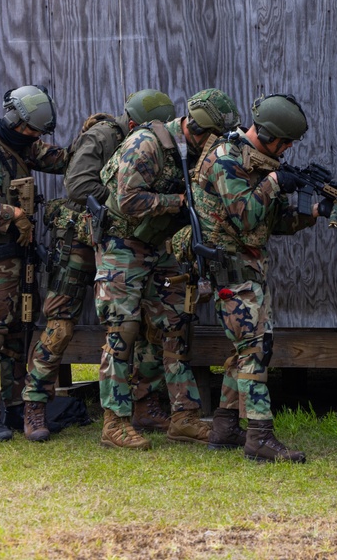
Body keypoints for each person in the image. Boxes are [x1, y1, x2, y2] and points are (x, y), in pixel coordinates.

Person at [21, 90, 177, 441]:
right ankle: (34, 403)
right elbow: (78, 186)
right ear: (134, 123)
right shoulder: (104, 135)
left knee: (143, 324)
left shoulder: (152, 144)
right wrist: (123, 200)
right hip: (79, 238)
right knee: (60, 324)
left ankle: (143, 404)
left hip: (121, 242)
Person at [190, 94, 335, 462]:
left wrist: (315, 212)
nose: (286, 150)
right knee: (255, 350)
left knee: (245, 351)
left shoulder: (248, 159)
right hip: (230, 271)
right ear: (267, 134)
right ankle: (259, 437)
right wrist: (273, 180)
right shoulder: (226, 159)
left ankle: (224, 427)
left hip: (248, 271)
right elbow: (246, 217)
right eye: (283, 143)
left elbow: (273, 221)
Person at [94, 88, 238, 450]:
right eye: (213, 138)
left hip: (155, 247)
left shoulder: (193, 152)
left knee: (176, 322)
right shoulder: (147, 143)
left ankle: (183, 417)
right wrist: (178, 201)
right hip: (122, 246)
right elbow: (127, 200)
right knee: (122, 330)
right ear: (200, 130)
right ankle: (114, 422)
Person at [0, 85, 69, 440]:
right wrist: (12, 213)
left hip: (19, 260)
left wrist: (95, 140)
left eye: (39, 132)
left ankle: (12, 409)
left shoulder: (26, 145)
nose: (34, 137)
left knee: (16, 337)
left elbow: (63, 160)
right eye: (30, 130)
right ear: (13, 119)